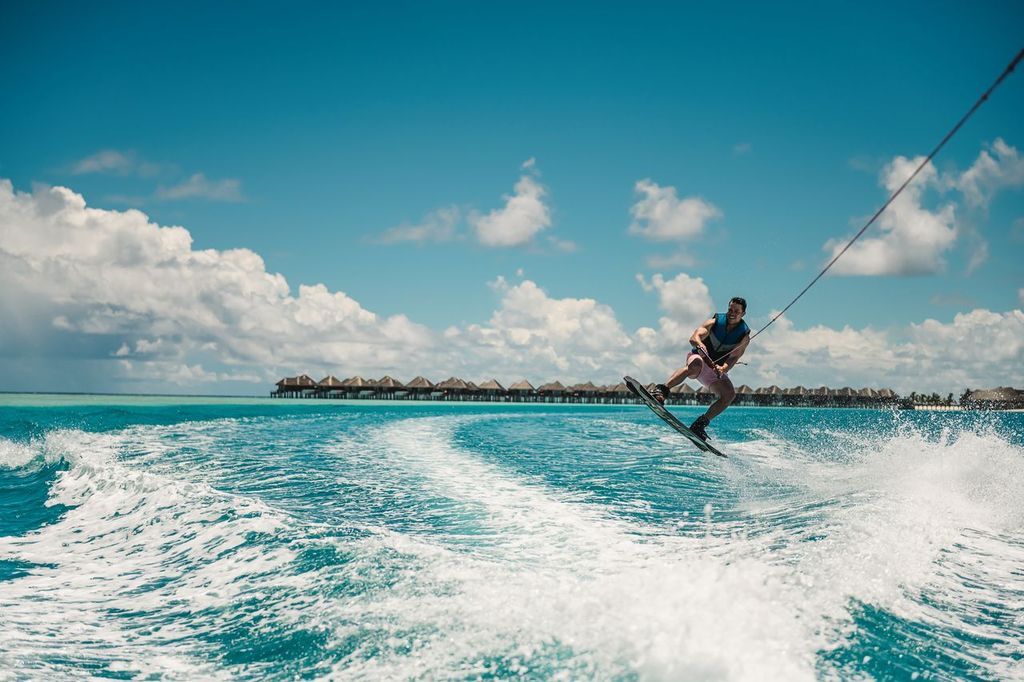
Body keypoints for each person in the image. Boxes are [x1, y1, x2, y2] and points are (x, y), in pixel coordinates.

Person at [651, 297, 750, 442]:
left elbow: (733, 358)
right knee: (695, 364)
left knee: (729, 395)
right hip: (699, 361)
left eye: (736, 311)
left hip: (715, 371)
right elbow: (694, 336)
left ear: (743, 314)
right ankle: (661, 391)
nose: (732, 313)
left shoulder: (744, 336)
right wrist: (699, 343)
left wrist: (723, 368)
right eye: (730, 309)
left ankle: (700, 424)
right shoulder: (714, 322)